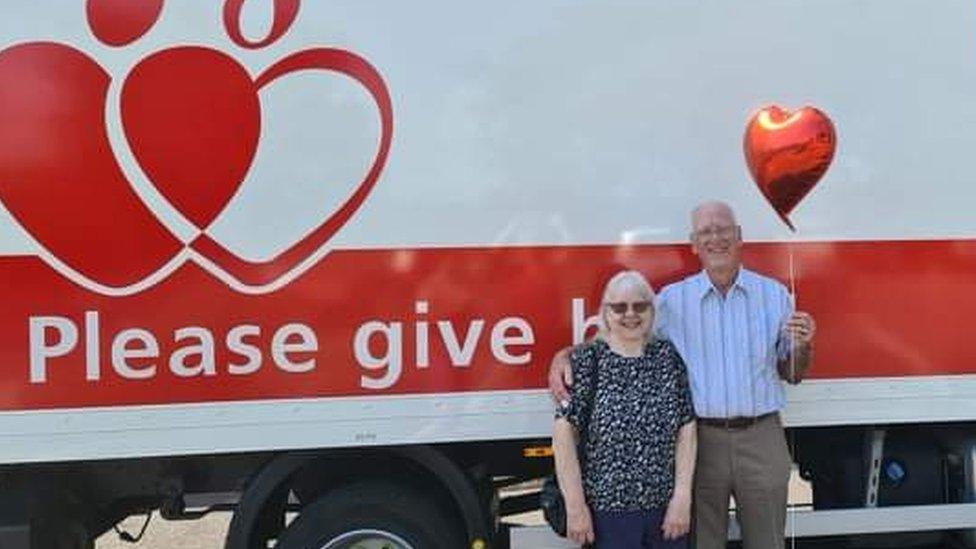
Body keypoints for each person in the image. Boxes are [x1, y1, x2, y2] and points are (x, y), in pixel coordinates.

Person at [549, 201, 816, 549]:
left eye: (723, 229)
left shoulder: (774, 295)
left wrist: (803, 346)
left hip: (761, 436)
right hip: (702, 442)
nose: (715, 238)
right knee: (704, 543)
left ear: (739, 237)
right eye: (706, 232)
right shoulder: (673, 301)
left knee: (767, 542)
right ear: (693, 243)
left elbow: (791, 372)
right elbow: (624, 333)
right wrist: (566, 356)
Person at [553, 270, 697, 548]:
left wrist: (682, 497)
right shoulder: (587, 361)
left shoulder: (667, 357)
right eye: (619, 307)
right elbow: (563, 435)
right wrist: (575, 506)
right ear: (606, 313)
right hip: (607, 517)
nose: (630, 314)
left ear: (652, 311)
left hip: (665, 515)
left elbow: (687, 429)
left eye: (640, 306)